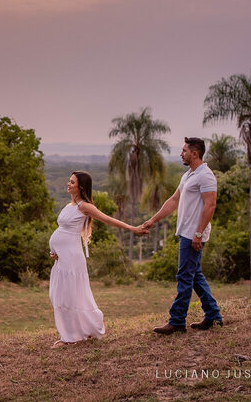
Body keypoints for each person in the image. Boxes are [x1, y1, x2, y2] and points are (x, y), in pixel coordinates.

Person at [48, 170, 147, 348]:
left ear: (81, 187)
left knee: (70, 295)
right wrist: (55, 251)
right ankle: (78, 331)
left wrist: (133, 229)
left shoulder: (85, 206)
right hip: (62, 259)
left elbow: (108, 219)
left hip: (72, 258)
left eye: (72, 182)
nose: (68, 184)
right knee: (60, 295)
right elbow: (62, 232)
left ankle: (70, 337)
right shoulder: (69, 205)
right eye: (69, 181)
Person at [141, 136, 223, 334]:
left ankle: (177, 321)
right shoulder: (188, 175)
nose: (181, 154)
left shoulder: (206, 175)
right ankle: (213, 315)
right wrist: (153, 220)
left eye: (184, 151)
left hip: (193, 234)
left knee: (185, 276)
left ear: (195, 153)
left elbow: (210, 205)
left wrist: (198, 233)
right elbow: (173, 200)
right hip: (186, 232)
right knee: (194, 276)